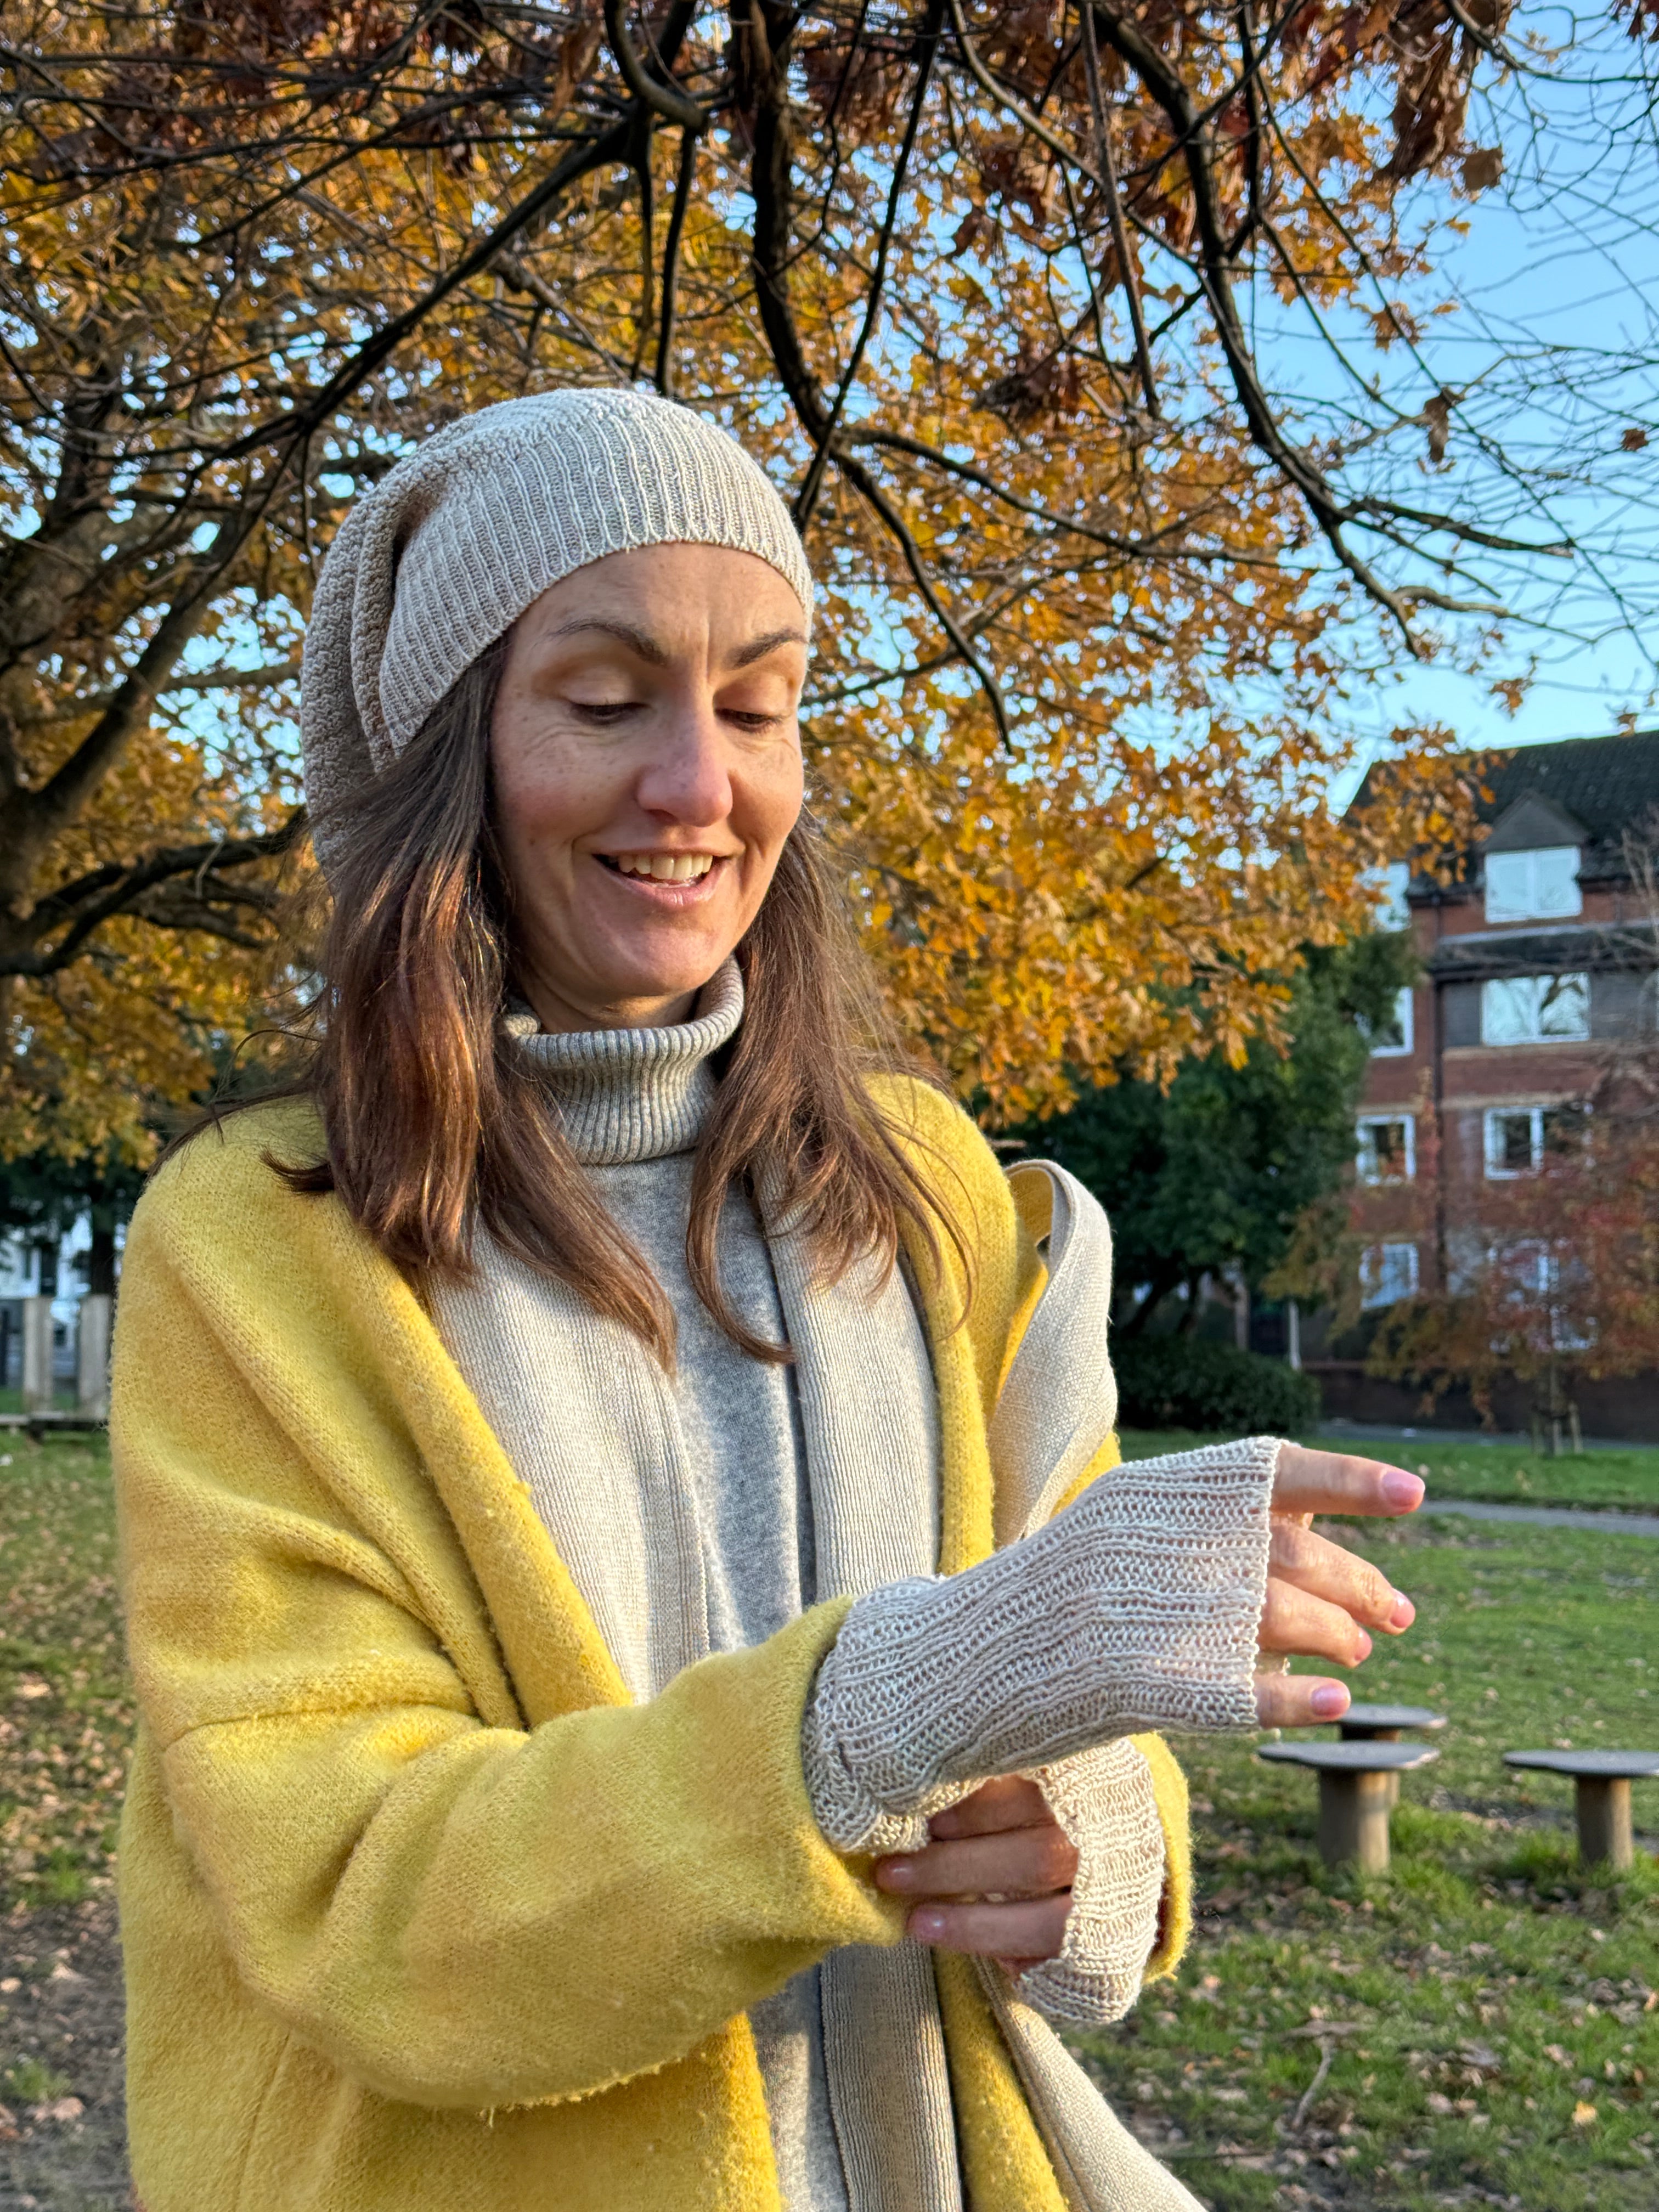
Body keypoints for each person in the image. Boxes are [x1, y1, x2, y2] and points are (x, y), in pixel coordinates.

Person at [111, 387, 1424, 2212]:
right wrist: (896, 1706)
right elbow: (354, 1903)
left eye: (757, 706)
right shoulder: (257, 1245)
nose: (697, 786)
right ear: (447, 748)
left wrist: (1091, 1848)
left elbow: (1080, 1751)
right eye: (604, 699)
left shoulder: (936, 1195)